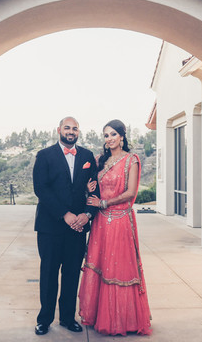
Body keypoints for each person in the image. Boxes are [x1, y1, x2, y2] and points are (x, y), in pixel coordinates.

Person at [79, 119, 152, 336]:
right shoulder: (100, 160)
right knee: (100, 265)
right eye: (106, 136)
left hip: (119, 220)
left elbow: (130, 193)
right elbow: (93, 189)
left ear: (122, 136)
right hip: (101, 222)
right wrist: (88, 188)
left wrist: (104, 203)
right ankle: (98, 315)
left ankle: (123, 320)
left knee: (119, 268)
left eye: (113, 134)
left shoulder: (132, 160)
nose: (109, 139)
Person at [32, 116, 100, 336]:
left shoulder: (88, 156)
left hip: (78, 228)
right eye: (67, 128)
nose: (71, 131)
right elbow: (41, 189)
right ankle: (44, 319)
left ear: (79, 132)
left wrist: (87, 214)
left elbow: (95, 190)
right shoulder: (44, 156)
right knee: (49, 273)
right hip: (50, 227)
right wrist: (65, 214)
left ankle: (68, 318)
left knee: (71, 274)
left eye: (75, 128)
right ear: (59, 130)